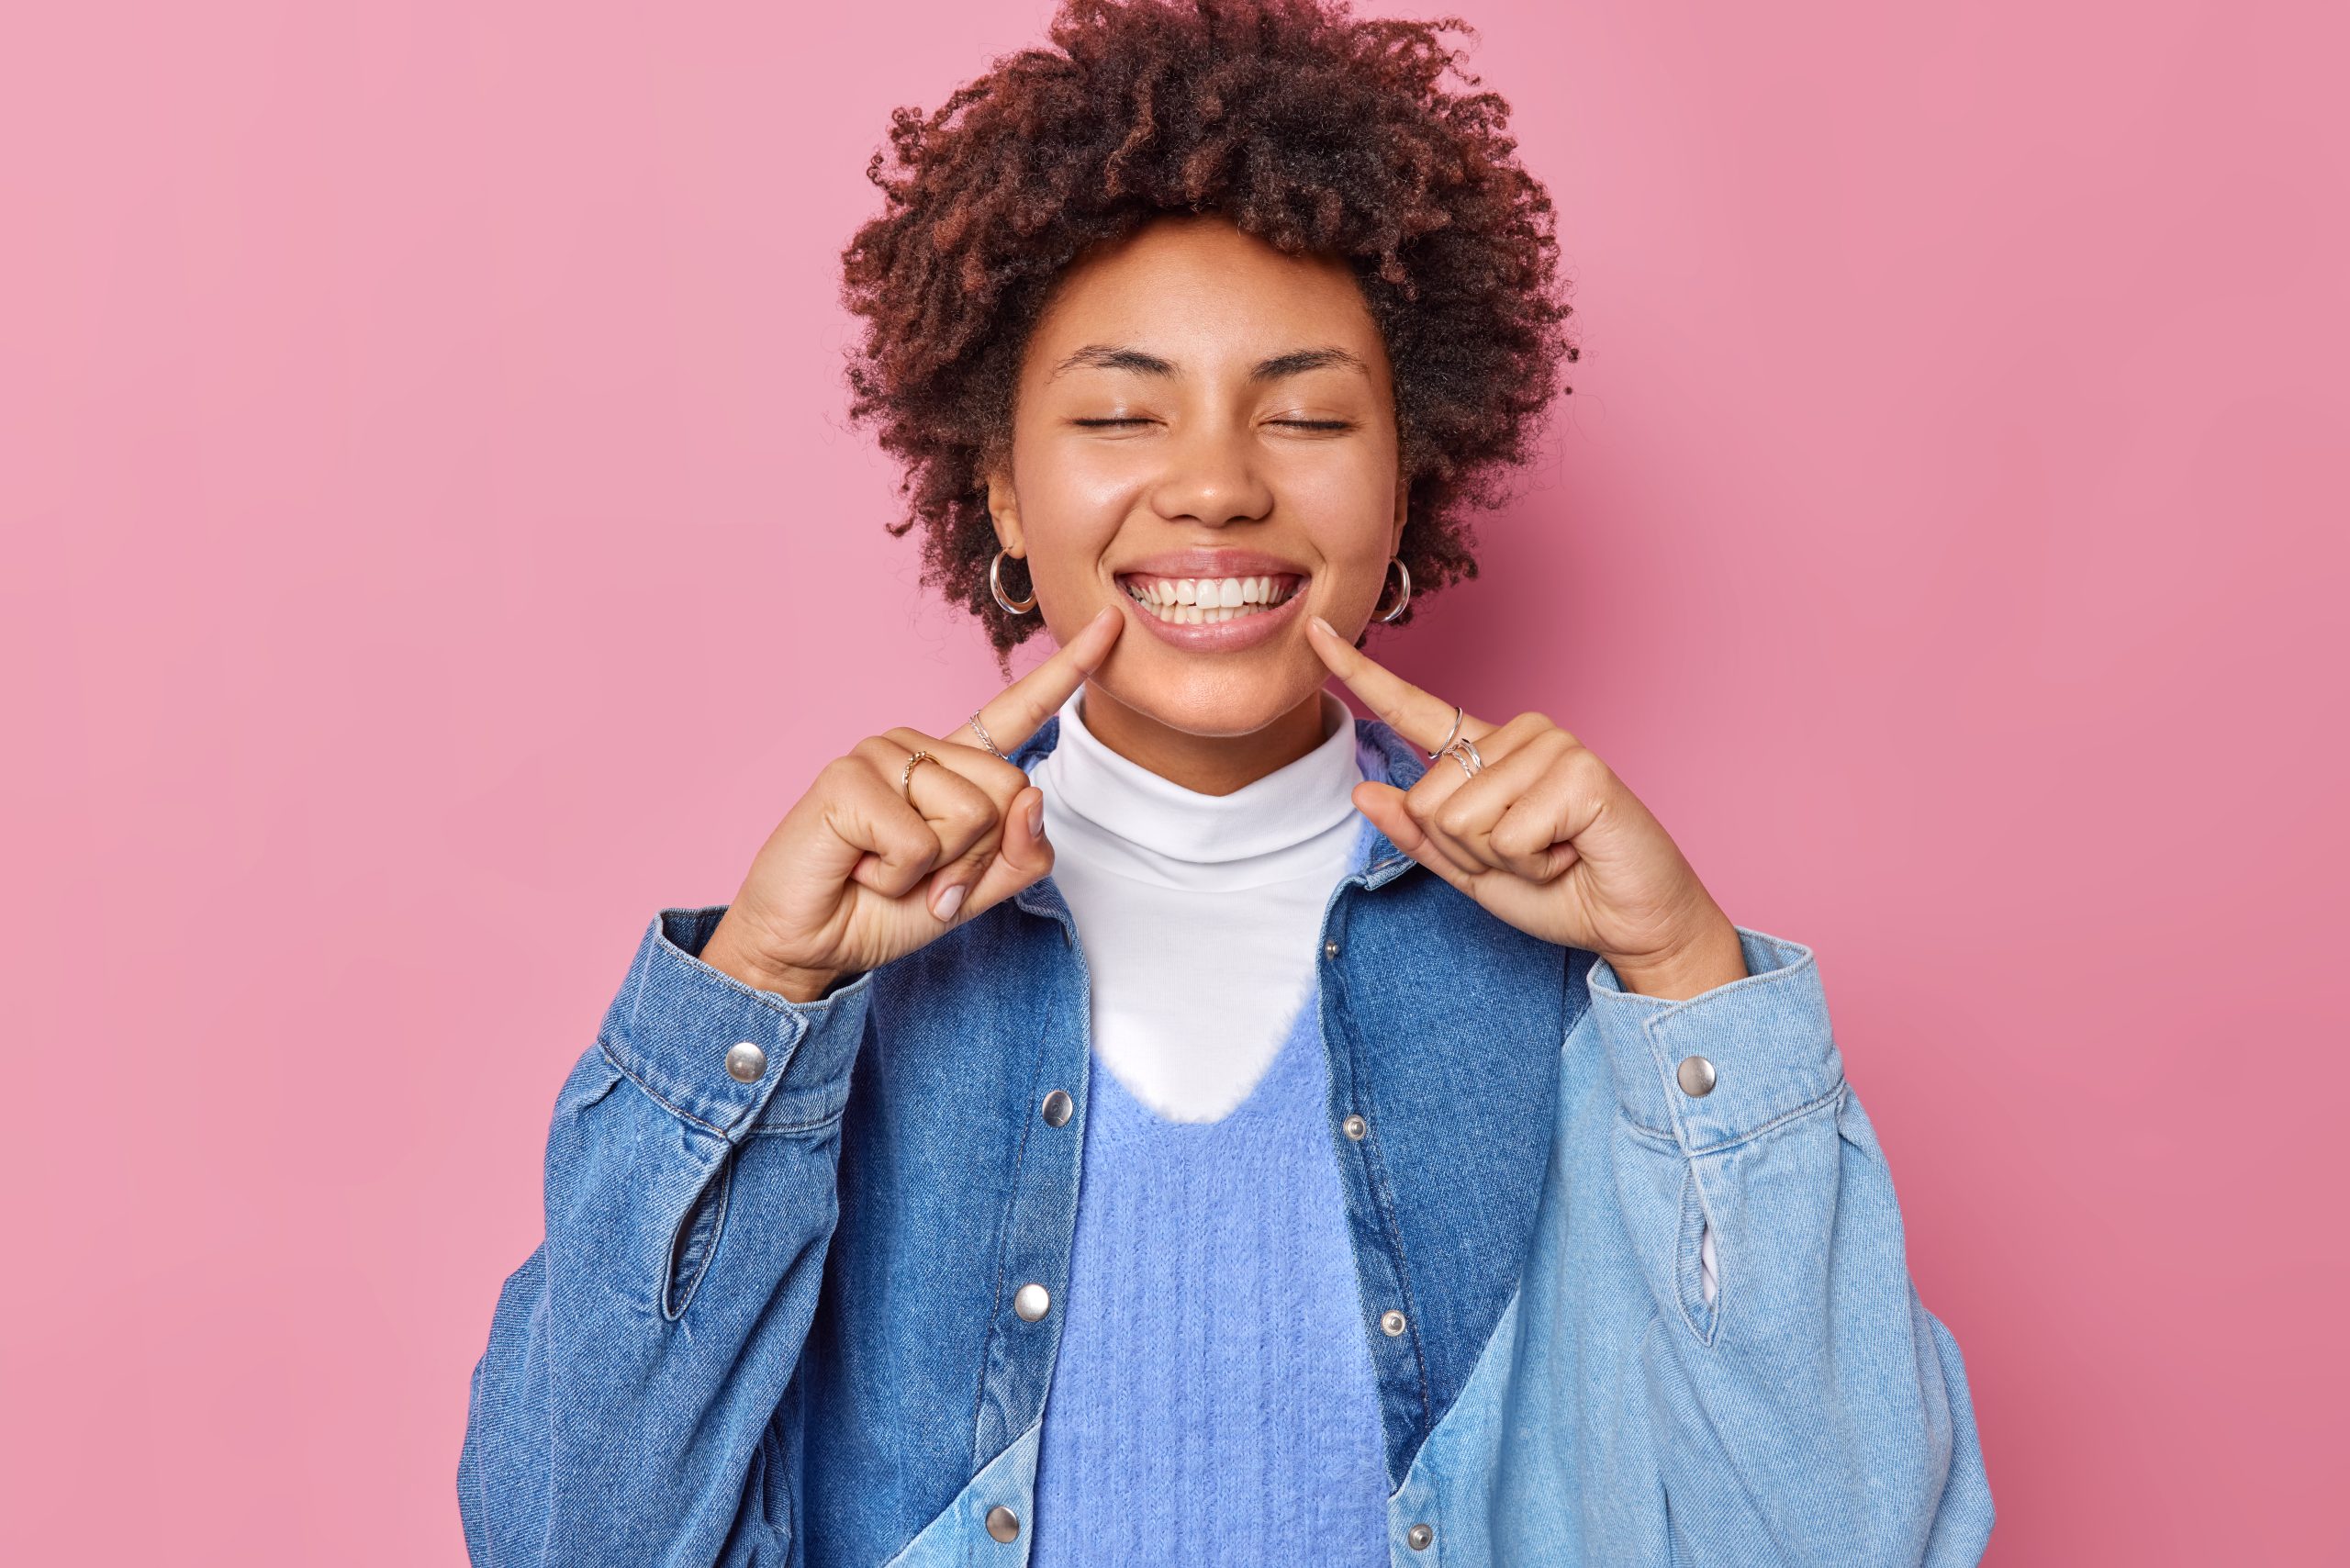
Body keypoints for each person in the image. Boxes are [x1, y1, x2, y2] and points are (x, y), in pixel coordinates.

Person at [455, 1, 1994, 1562]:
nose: (1216, 482)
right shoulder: (837, 988)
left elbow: (1859, 1534)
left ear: (1406, 483)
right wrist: (755, 996)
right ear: (998, 481)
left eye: (1310, 414)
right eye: (1123, 414)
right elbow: (566, 1537)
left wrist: (1687, 980)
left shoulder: (1588, 993)